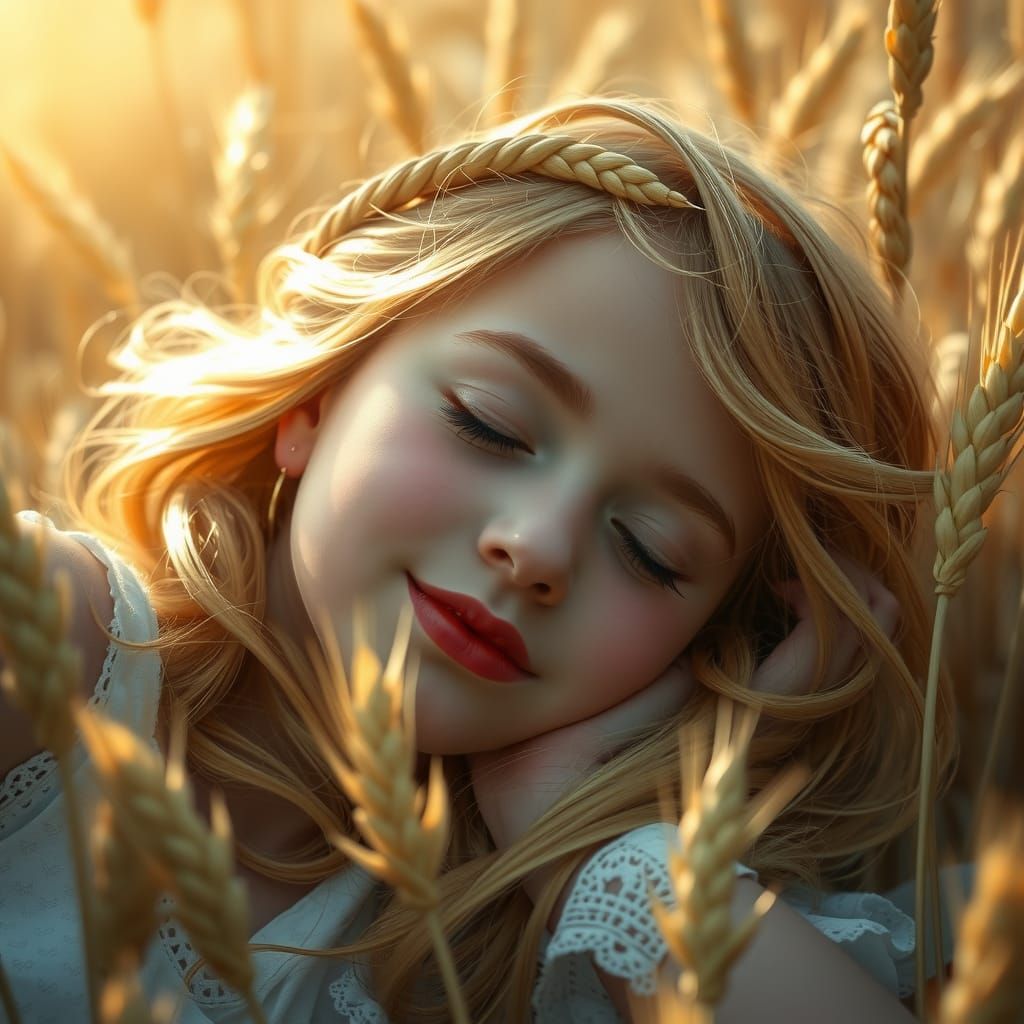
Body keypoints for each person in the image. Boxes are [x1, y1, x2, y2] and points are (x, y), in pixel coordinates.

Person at [0, 96, 955, 1022]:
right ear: (315, 400)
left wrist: (571, 826)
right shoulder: (59, 650)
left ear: (712, 637)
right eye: (487, 425)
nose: (536, 548)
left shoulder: (544, 950)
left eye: (650, 551)